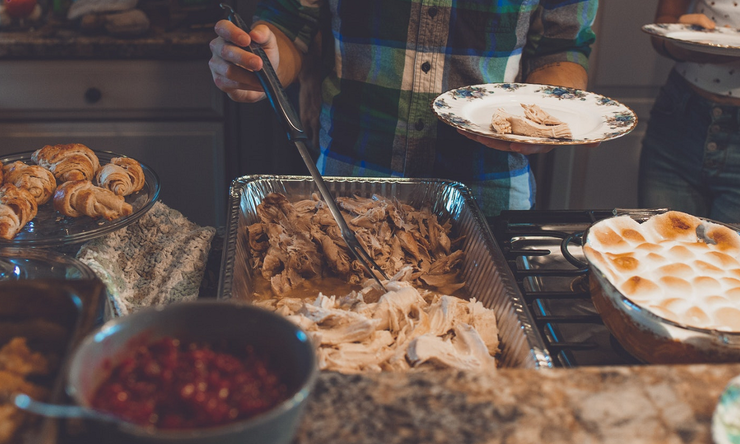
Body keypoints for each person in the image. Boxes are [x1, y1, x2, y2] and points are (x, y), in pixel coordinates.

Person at [209, 1, 598, 217]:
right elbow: (289, 20)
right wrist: (266, 63)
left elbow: (561, 48)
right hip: (350, 183)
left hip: (489, 192)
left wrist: (551, 114)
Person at [639, 0, 740, 223]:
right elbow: (664, 25)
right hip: (679, 122)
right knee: (661, 249)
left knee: (729, 257)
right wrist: (681, 39)